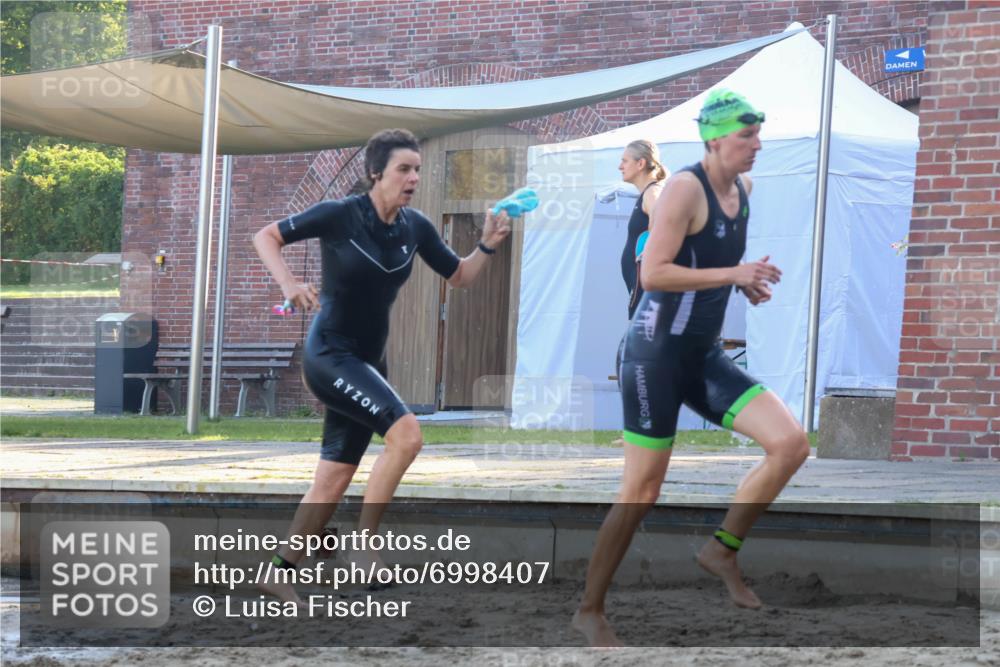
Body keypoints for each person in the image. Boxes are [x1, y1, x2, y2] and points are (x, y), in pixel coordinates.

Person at [573, 89, 810, 647]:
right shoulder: (682, 188)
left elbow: (709, 266)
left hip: (702, 355)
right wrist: (733, 274)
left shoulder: (743, 191)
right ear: (713, 139)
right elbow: (653, 274)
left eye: (758, 135)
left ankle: (720, 552)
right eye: (745, 136)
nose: (756, 145)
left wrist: (744, 282)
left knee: (791, 444)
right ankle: (589, 609)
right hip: (654, 357)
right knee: (640, 492)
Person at [252, 128, 511, 604]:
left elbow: (460, 277)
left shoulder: (415, 227)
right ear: (376, 173)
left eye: (417, 169)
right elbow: (266, 236)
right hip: (331, 353)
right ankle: (364, 549)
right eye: (404, 169)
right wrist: (288, 283)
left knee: (333, 477)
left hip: (370, 361)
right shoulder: (339, 215)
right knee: (408, 435)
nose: (414, 177)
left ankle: (279, 569)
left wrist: (488, 244)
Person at [618, 139, 668, 319]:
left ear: (640, 163)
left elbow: (666, 231)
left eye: (624, 161)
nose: (619, 166)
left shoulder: (652, 193)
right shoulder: (648, 193)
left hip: (647, 292)